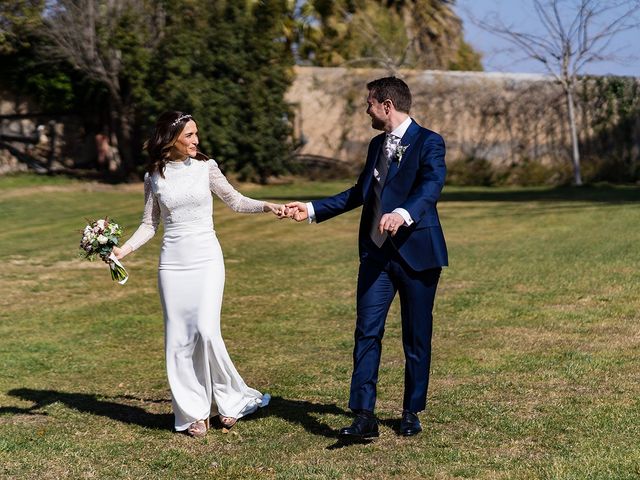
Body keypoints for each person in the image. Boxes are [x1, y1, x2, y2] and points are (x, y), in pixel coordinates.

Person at [286, 77, 448, 438]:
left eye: (370, 104)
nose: (367, 110)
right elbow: (359, 193)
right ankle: (364, 416)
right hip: (376, 256)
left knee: (416, 336)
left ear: (387, 105)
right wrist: (312, 209)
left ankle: (410, 411)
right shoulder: (377, 145)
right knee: (366, 333)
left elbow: (430, 187)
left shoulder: (429, 142)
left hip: (418, 256)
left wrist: (403, 213)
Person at [112, 111, 284, 437]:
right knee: (178, 340)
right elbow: (150, 224)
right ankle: (193, 412)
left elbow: (235, 201)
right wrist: (123, 250)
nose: (196, 141)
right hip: (172, 265)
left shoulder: (207, 168)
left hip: (206, 259)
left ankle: (231, 402)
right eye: (189, 135)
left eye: (196, 134)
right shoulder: (153, 177)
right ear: (171, 137)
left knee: (206, 331)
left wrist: (267, 205)